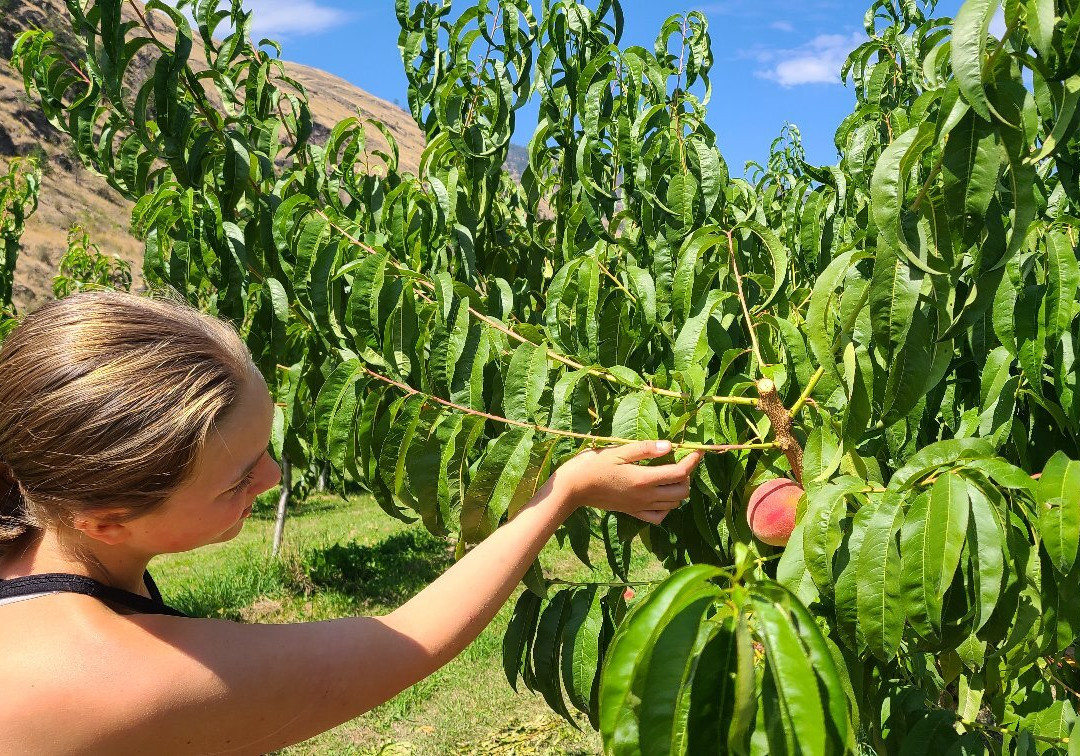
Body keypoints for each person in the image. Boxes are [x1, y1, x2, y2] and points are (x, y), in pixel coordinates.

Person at [0, 290, 702, 754]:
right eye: (238, 480)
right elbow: (409, 640)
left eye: (265, 446)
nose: (274, 478)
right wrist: (563, 491)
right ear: (107, 521)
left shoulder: (37, 547)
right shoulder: (107, 674)